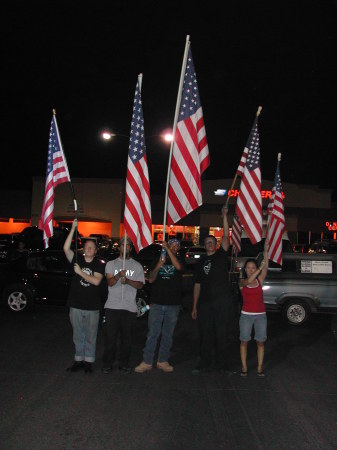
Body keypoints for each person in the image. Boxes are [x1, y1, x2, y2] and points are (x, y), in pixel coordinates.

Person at [191, 206, 234, 374]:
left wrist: (224, 215)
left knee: (221, 334)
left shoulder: (222, 255)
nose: (210, 244)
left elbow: (225, 235)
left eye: (212, 242)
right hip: (205, 304)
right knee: (205, 334)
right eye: (207, 242)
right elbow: (197, 284)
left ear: (216, 245)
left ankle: (223, 365)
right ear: (204, 245)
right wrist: (194, 306)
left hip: (222, 301)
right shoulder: (200, 262)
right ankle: (204, 363)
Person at [135, 238, 183, 373]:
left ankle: (163, 360)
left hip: (173, 304)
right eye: (171, 244)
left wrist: (167, 249)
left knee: (168, 334)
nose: (173, 247)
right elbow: (151, 279)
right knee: (153, 333)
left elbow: (178, 268)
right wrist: (158, 265)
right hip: (157, 303)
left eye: (176, 245)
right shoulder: (158, 259)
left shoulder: (179, 260)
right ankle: (147, 361)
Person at [64, 219, 105, 373]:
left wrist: (80, 272)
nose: (88, 249)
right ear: (83, 249)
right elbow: (66, 248)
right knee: (77, 334)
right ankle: (78, 360)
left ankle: (88, 362)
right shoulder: (77, 260)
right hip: (75, 304)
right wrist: (73, 229)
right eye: (86, 246)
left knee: (90, 335)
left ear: (95, 251)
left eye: (92, 247)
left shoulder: (99, 264)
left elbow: (96, 281)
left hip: (92, 306)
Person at [102, 237, 145, 374]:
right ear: (119, 247)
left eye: (128, 245)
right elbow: (109, 282)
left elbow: (140, 284)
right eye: (122, 245)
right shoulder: (111, 264)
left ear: (131, 248)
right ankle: (107, 363)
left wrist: (128, 281)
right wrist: (118, 276)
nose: (125, 247)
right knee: (110, 339)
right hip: (112, 307)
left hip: (129, 308)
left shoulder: (137, 266)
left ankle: (124, 363)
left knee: (127, 340)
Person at [239, 245, 269, 377]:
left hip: (260, 315)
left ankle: (259, 367)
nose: (251, 270)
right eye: (249, 268)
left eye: (253, 268)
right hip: (246, 316)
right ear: (245, 269)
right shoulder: (242, 281)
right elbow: (248, 281)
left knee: (260, 342)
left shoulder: (259, 280)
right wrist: (259, 269)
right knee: (244, 341)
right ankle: (244, 367)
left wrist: (266, 251)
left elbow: (265, 267)